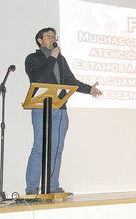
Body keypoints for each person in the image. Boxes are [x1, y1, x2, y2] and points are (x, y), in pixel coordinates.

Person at [25, 27, 103, 195]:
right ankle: (31, 188)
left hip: (60, 108)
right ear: (40, 40)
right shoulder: (33, 58)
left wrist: (89, 89)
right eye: (48, 36)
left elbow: (70, 80)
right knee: (39, 148)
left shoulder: (61, 59)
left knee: (57, 149)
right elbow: (39, 78)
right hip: (41, 108)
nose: (52, 38)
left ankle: (53, 186)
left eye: (54, 36)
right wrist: (52, 58)